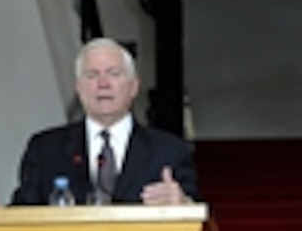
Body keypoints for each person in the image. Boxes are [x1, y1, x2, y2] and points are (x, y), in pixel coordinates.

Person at [10, 38, 199, 206]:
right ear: (78, 88)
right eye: (92, 75)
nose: (103, 84)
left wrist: (183, 204)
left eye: (114, 73)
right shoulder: (45, 149)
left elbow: (198, 220)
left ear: (133, 87)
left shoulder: (169, 151)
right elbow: (19, 218)